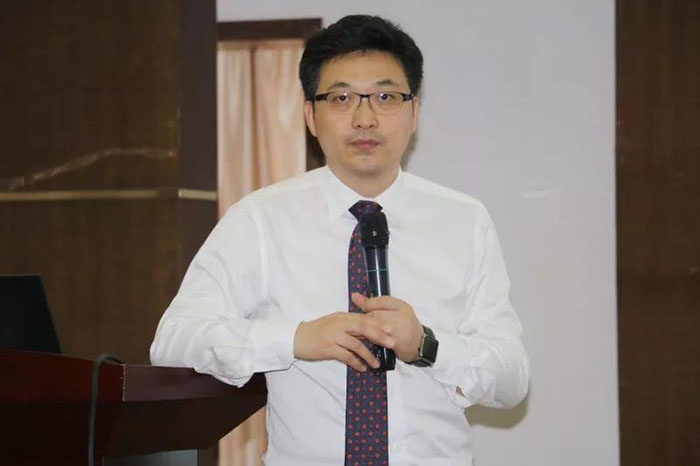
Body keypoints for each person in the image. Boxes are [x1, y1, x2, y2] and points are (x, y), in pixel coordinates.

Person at [150, 14, 529, 466]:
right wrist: (294, 338)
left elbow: (512, 379)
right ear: (311, 116)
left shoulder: (465, 221)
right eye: (342, 98)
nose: (365, 119)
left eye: (385, 97)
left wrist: (426, 345)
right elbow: (173, 341)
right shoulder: (260, 220)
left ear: (413, 112)